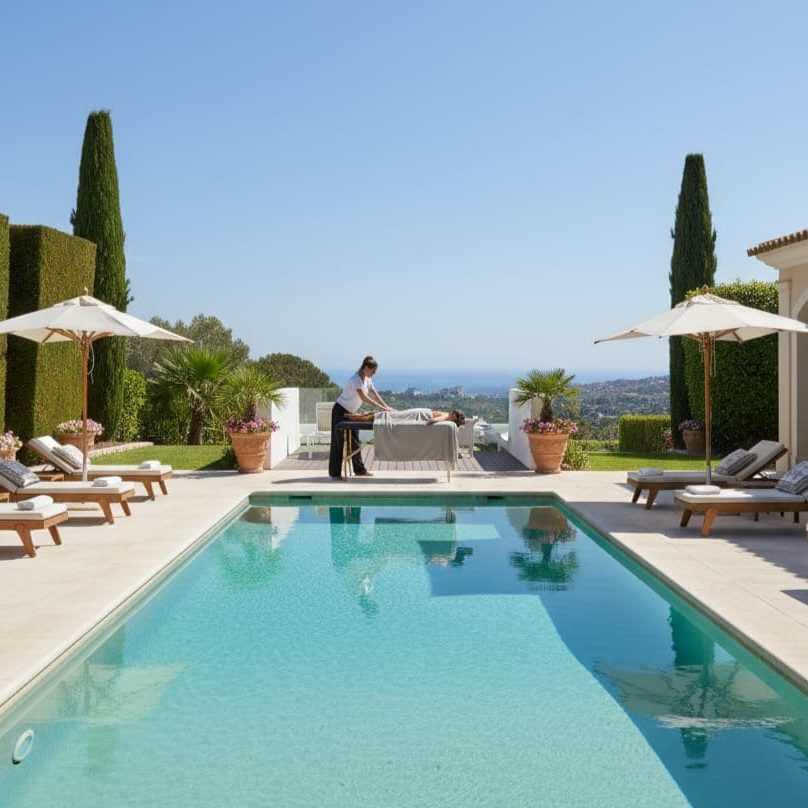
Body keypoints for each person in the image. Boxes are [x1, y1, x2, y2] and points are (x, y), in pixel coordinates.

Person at [329, 356, 391, 479]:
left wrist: (386, 406)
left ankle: (359, 470)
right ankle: (335, 473)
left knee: (355, 442)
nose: (373, 374)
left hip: (351, 413)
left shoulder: (367, 379)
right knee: (338, 443)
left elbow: (374, 393)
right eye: (372, 371)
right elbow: (364, 398)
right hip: (340, 411)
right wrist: (381, 407)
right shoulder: (355, 379)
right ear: (366, 368)